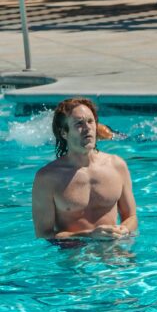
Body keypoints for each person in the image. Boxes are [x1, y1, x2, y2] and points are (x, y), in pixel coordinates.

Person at [32, 98, 138, 241]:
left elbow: (131, 217)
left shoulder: (117, 166)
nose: (87, 128)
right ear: (64, 133)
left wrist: (123, 230)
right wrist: (88, 235)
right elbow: (43, 234)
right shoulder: (47, 178)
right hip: (74, 254)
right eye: (79, 124)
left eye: (90, 121)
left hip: (113, 252)